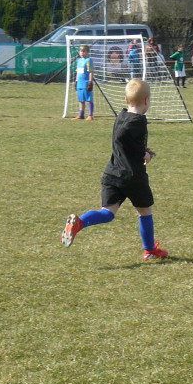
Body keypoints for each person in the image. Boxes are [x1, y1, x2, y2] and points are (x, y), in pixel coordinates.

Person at [61, 78, 168, 261]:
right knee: (144, 212)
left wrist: (142, 150)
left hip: (112, 173)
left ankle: (79, 223)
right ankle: (149, 250)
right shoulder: (139, 121)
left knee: (107, 213)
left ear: (126, 101)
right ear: (147, 101)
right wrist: (145, 155)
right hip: (133, 177)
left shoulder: (121, 116)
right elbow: (125, 137)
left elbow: (125, 141)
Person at [73, 44, 94, 120]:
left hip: (86, 83)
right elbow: (78, 72)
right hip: (80, 83)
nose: (82, 53)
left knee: (89, 99)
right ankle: (81, 115)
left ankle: (90, 115)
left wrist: (90, 82)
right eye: (81, 51)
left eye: (84, 51)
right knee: (81, 100)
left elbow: (91, 72)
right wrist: (76, 81)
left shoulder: (88, 60)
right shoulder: (79, 61)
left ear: (87, 52)